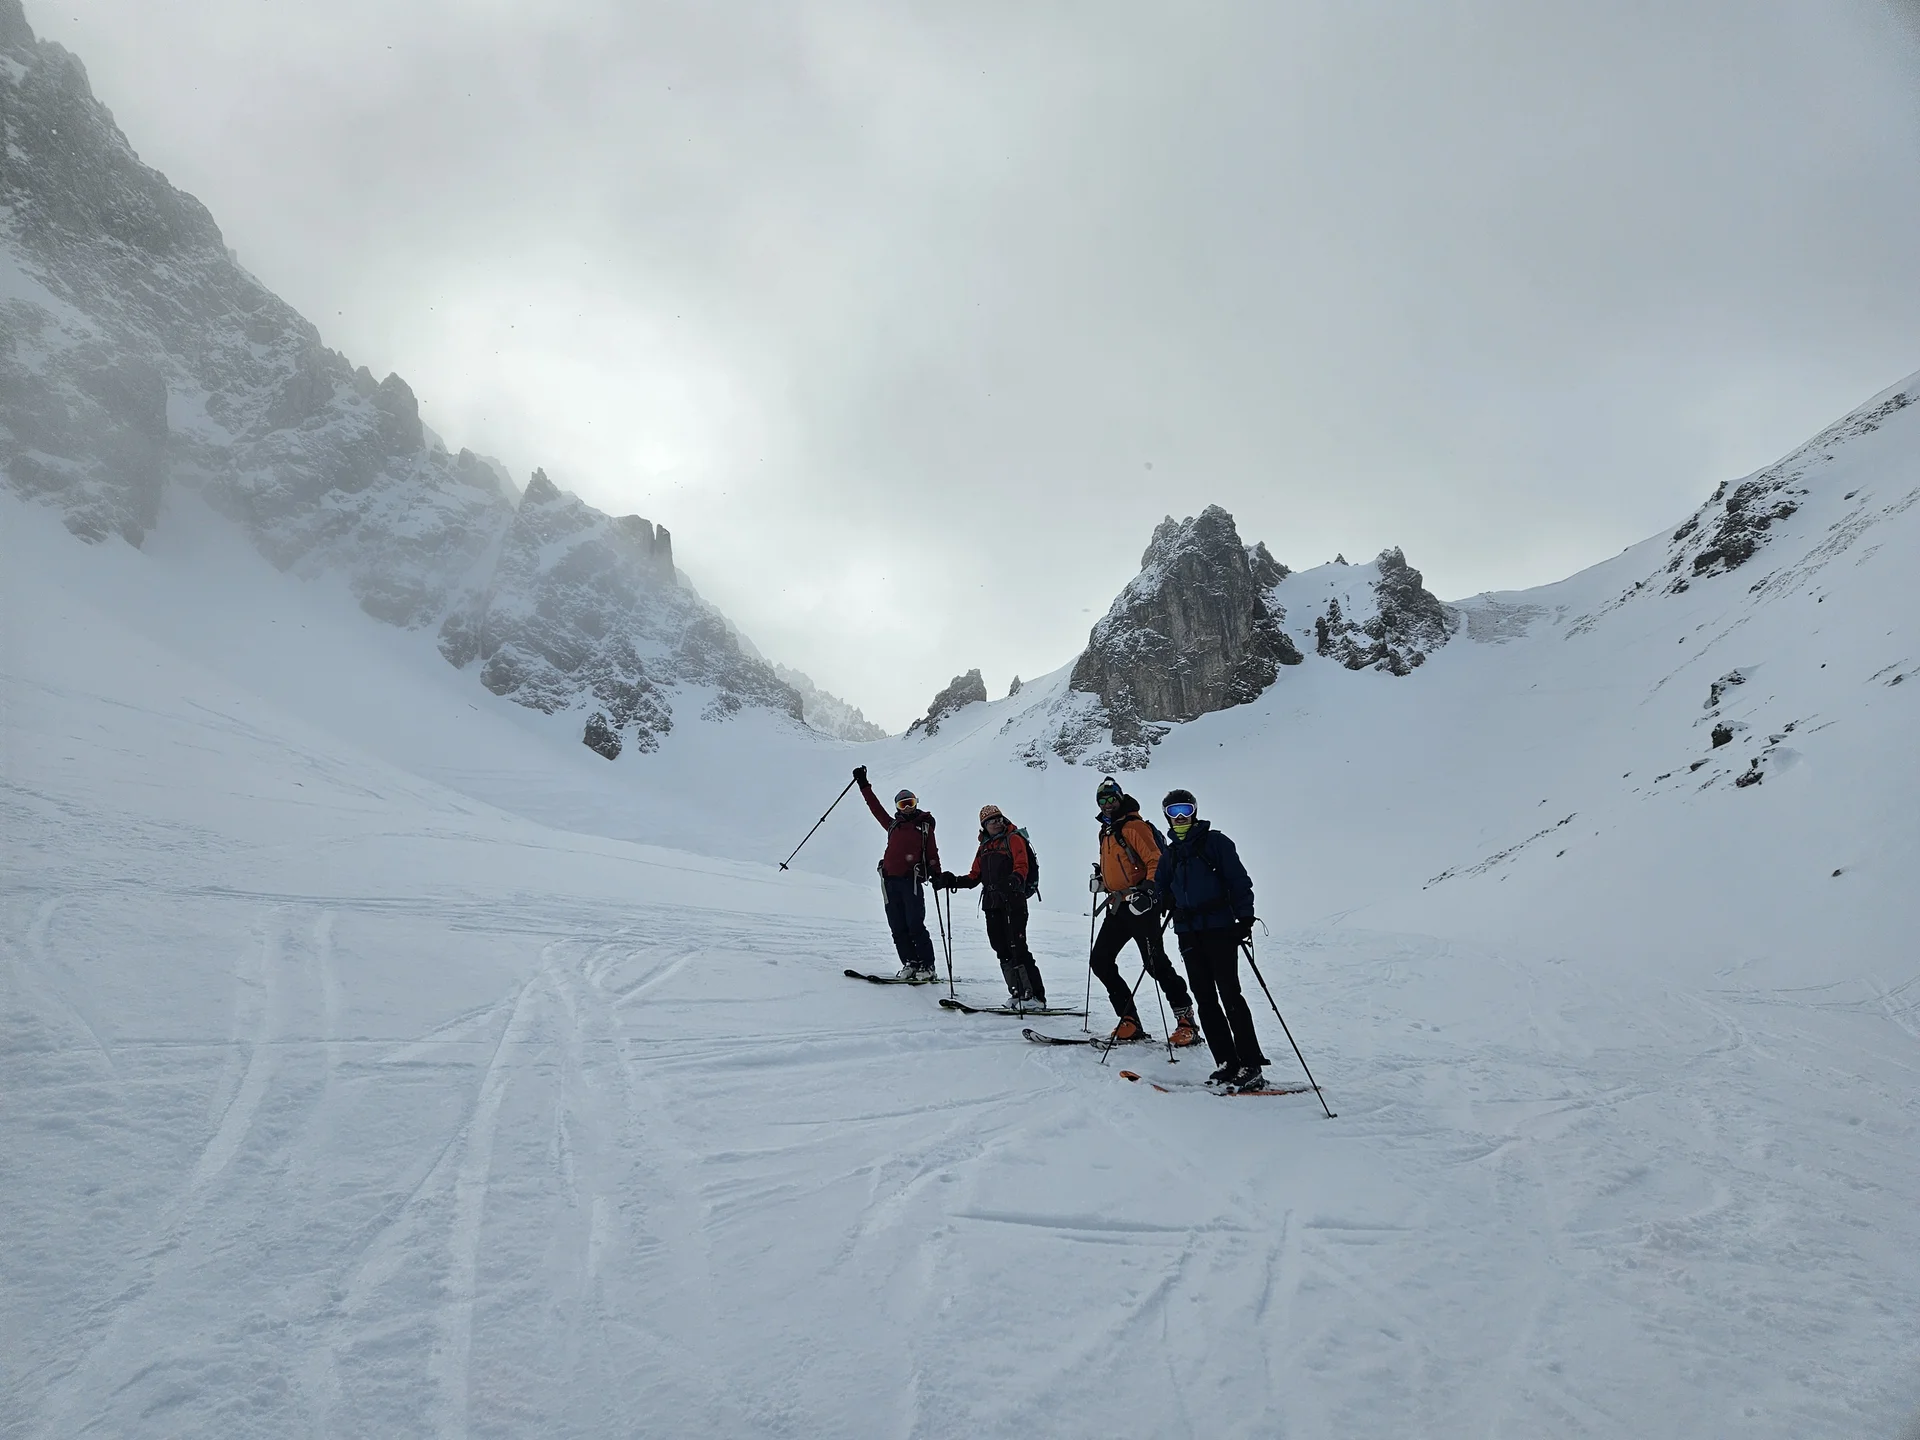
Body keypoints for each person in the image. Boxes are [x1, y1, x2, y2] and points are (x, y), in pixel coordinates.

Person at [1152, 788, 1269, 1091]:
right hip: (1187, 931)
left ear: (1194, 812)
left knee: (1230, 995)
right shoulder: (1170, 854)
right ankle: (1226, 1062)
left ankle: (1250, 1063)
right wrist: (1163, 900)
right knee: (1205, 998)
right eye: (1174, 811)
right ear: (1166, 814)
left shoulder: (1216, 842)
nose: (1180, 817)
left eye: (1185, 810)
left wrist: (1244, 917)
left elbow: (1239, 881)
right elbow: (1161, 886)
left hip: (1220, 928)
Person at [1088, 776, 1201, 1047]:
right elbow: (1123, 866)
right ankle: (1129, 1021)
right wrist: (1103, 881)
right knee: (1100, 961)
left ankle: (1187, 1022)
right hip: (1118, 906)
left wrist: (1150, 891)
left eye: (1111, 798)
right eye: (1102, 800)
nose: (1107, 804)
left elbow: (1156, 860)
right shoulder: (1106, 831)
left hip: (1141, 905)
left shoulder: (1134, 826)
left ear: (1120, 798)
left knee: (1155, 963)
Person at [939, 805, 1047, 1011]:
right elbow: (974, 877)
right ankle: (1017, 992)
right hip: (992, 903)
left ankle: (1035, 996)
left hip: (1013, 901)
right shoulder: (984, 847)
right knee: (1001, 948)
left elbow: (1022, 866)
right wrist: (951, 880)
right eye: (991, 821)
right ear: (984, 826)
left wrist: (1014, 880)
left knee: (1018, 947)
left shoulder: (1013, 839)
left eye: (999, 819)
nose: (997, 822)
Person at [853, 765, 941, 982]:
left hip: (911, 882)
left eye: (910, 803)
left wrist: (936, 873)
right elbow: (875, 808)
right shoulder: (892, 825)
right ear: (898, 808)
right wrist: (863, 784)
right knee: (897, 926)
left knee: (915, 924)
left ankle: (927, 966)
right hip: (889, 881)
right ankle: (910, 963)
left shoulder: (925, 827)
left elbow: (932, 852)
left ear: (916, 803)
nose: (907, 808)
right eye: (903, 804)